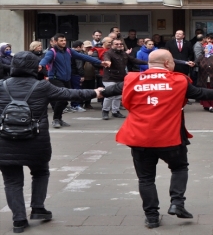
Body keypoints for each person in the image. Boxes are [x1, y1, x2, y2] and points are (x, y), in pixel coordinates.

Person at [101, 49, 213, 229]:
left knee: (146, 179)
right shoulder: (179, 81)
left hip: (140, 138)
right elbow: (200, 93)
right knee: (180, 167)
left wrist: (92, 93)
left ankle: (151, 217)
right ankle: (177, 203)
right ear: (167, 63)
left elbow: (109, 91)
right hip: (170, 137)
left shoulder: (131, 80)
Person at [0, 51, 102, 233]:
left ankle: (19, 220)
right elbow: (69, 93)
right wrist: (94, 92)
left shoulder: (2, 86)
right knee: (40, 172)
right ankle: (38, 208)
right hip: (36, 140)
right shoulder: (42, 86)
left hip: (6, 141)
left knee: (12, 182)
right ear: (34, 67)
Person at [38, 33, 107, 128]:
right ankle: (56, 120)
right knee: (62, 98)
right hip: (55, 78)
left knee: (66, 100)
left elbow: (84, 57)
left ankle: (59, 118)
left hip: (66, 79)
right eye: (61, 41)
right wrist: (40, 65)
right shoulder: (52, 52)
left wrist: (100, 62)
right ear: (55, 42)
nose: (63, 42)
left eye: (64, 40)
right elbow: (45, 59)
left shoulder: (69, 51)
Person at [102, 39, 148, 120]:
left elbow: (134, 60)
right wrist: (107, 62)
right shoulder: (108, 53)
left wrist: (147, 62)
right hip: (109, 78)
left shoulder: (124, 53)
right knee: (109, 95)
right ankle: (105, 111)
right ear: (112, 45)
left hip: (120, 77)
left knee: (118, 96)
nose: (119, 45)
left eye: (120, 44)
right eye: (117, 44)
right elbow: (106, 58)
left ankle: (115, 112)